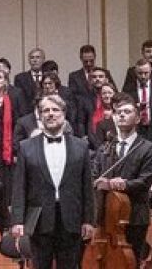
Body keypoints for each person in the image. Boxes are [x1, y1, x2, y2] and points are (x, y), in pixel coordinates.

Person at [9, 95, 92, 269]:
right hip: (39, 219)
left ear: (64, 114)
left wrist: (88, 220)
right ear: (39, 116)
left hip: (71, 219)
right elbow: (19, 187)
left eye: (55, 110)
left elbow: (87, 187)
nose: (51, 114)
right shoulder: (26, 146)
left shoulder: (81, 146)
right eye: (46, 110)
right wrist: (17, 220)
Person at [93, 97, 152, 261]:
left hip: (134, 216)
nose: (121, 115)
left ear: (137, 119)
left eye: (127, 112)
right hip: (106, 215)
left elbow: (145, 181)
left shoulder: (147, 148)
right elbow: (94, 175)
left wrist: (122, 184)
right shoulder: (105, 147)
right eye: (118, 112)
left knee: (130, 261)